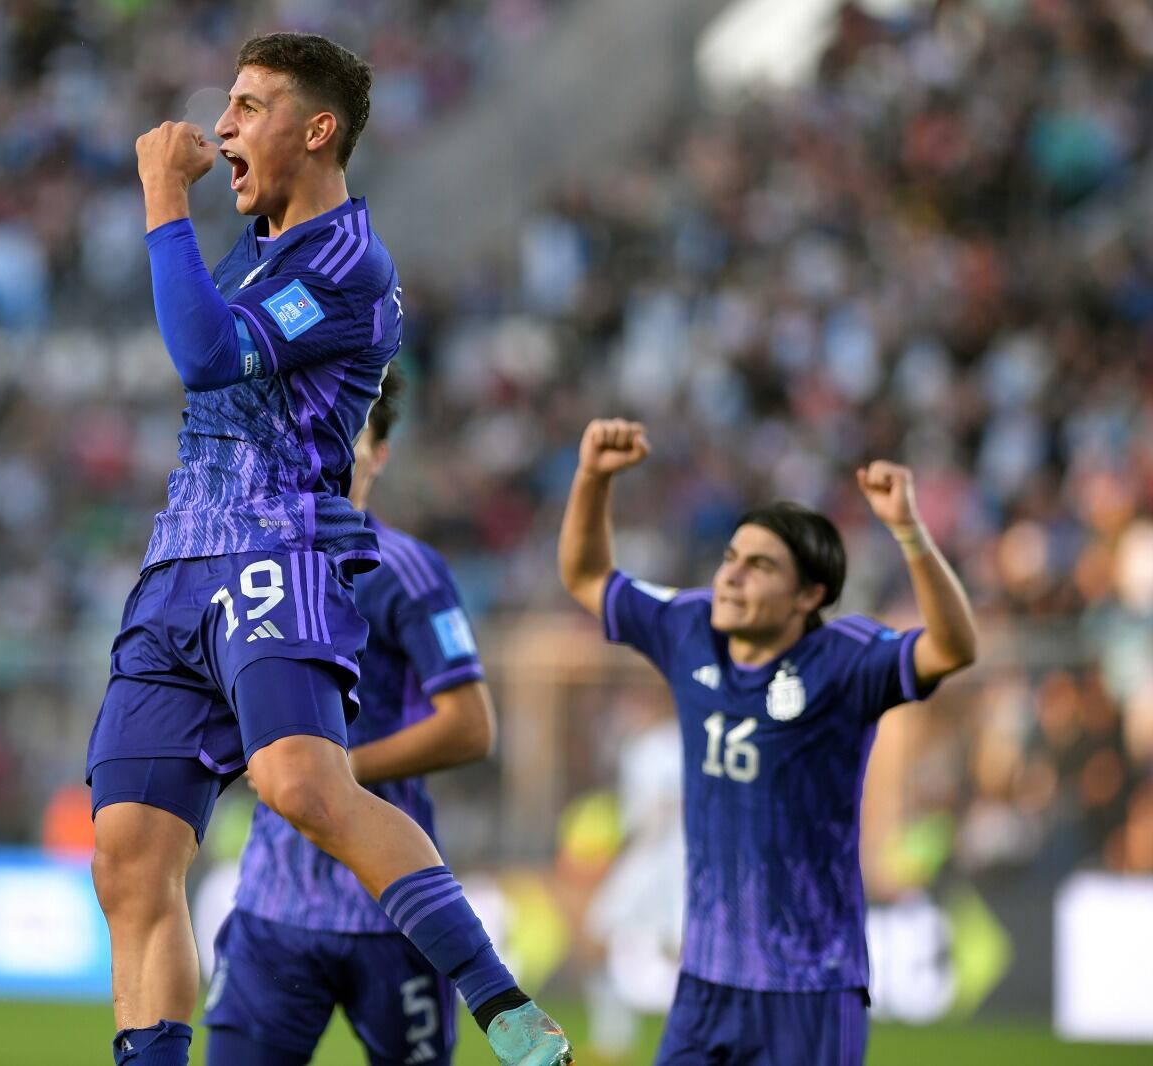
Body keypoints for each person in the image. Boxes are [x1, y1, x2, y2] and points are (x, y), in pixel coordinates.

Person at [86, 32, 570, 1066]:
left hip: (274, 552)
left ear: (316, 130)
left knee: (304, 786)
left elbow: (207, 354)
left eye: (249, 105)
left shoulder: (348, 259)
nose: (221, 126)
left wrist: (160, 196)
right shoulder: (257, 251)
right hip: (177, 566)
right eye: (226, 102)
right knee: (128, 860)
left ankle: (504, 1010)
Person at [558, 418, 979, 1065]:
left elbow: (953, 647)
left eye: (759, 567)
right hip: (705, 985)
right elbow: (588, 577)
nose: (731, 577)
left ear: (808, 595)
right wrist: (592, 478)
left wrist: (910, 533)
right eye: (731, 559)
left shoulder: (845, 661)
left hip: (808, 990)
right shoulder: (689, 626)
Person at [205, 368, 498, 1065]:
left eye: (348, 428)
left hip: (392, 911)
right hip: (272, 905)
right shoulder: (251, 564)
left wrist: (338, 773)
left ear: (380, 452)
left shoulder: (405, 570)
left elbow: (472, 725)